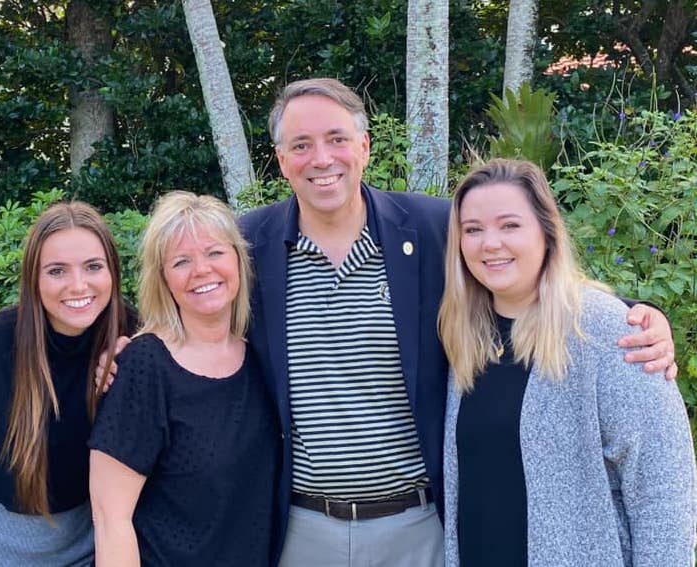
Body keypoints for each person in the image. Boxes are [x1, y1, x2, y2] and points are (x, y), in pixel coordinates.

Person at [237, 78, 678, 566]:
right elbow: (189, 305)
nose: (321, 158)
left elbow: (522, 266)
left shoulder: (430, 227)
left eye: (337, 139)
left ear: (363, 146)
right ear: (281, 160)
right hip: (303, 530)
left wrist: (638, 314)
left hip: (417, 528)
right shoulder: (248, 245)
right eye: (301, 145)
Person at [437, 158, 697, 566]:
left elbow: (663, 487)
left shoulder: (608, 332)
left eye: (510, 225)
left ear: (547, 232)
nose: (490, 243)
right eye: (473, 230)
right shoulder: (465, 336)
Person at [89, 191, 279, 566]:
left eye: (214, 253)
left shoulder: (261, 358)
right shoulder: (145, 366)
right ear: (163, 279)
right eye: (181, 261)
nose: (201, 271)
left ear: (239, 261)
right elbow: (111, 519)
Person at [0, 201, 131, 565]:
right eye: (57, 271)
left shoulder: (134, 340)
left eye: (93, 266)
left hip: (89, 551)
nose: (78, 285)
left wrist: (138, 360)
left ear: (113, 271)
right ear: (33, 277)